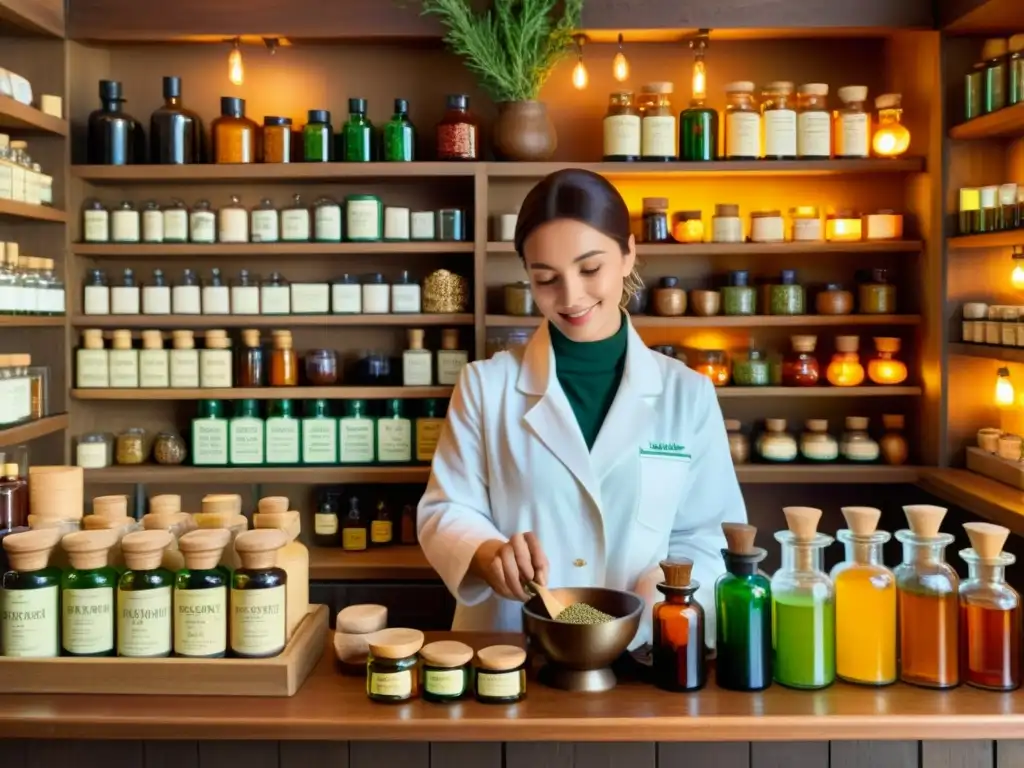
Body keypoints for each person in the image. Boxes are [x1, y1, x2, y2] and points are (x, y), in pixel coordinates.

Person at [417, 168, 747, 647]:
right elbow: (446, 508)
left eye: (590, 269)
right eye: (546, 278)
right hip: (512, 649)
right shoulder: (485, 386)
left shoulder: (687, 394)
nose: (570, 297)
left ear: (629, 252)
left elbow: (710, 534)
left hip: (642, 648)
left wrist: (660, 586)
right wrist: (486, 553)